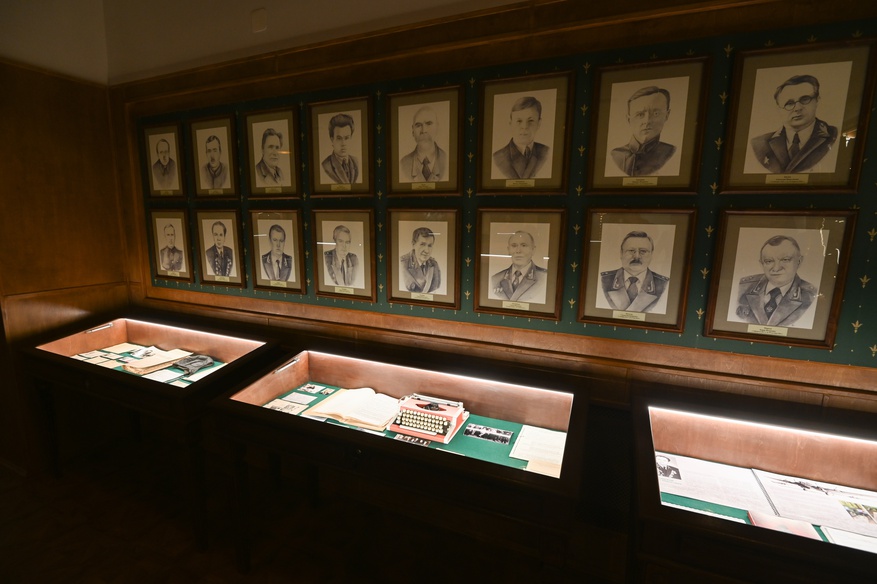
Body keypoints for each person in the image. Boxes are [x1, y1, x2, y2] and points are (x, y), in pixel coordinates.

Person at [750, 74, 838, 173]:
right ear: (779, 109)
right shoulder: (758, 144)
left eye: (805, 99)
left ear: (817, 100)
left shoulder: (834, 135)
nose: (798, 108)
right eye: (789, 103)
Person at [735, 234, 817, 326]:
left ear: (799, 261)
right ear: (761, 264)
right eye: (769, 261)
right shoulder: (743, 287)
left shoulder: (811, 295)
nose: (776, 268)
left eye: (785, 260)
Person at [610, 86, 676, 176]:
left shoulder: (672, 153)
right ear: (629, 120)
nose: (647, 121)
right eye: (640, 114)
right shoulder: (615, 155)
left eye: (656, 113)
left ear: (667, 115)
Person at [601, 231, 669, 313]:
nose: (636, 256)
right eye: (631, 250)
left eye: (643, 251)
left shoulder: (665, 285)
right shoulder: (602, 280)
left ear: (651, 255)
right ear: (621, 253)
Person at [492, 96, 550, 179]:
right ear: (511, 123)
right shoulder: (497, 158)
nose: (524, 126)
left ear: (539, 123)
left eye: (530, 120)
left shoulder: (547, 153)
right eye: (519, 121)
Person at [490, 231, 547, 303]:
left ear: (533, 250)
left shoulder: (544, 277)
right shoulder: (495, 279)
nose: (518, 251)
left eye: (524, 245)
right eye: (514, 246)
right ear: (508, 250)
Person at [399, 106, 447, 183]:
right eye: (418, 125)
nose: (423, 130)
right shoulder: (402, 164)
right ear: (413, 131)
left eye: (429, 124)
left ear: (437, 127)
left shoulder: (447, 160)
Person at [400, 227, 441, 293]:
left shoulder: (434, 264)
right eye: (422, 244)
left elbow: (437, 289)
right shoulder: (402, 263)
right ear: (413, 244)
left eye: (430, 245)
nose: (427, 250)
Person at [321, 113, 359, 184]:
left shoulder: (356, 162)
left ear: (351, 138)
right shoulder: (326, 166)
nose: (343, 143)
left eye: (346, 138)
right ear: (332, 140)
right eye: (339, 138)